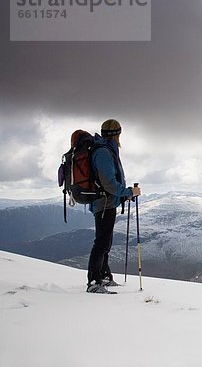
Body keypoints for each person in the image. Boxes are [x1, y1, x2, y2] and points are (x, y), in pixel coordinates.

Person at [86, 119, 141, 293]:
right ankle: (94, 282)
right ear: (117, 134)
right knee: (102, 243)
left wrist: (125, 194)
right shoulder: (103, 152)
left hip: (106, 202)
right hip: (104, 204)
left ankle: (104, 276)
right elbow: (109, 184)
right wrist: (128, 192)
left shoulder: (106, 150)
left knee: (105, 243)